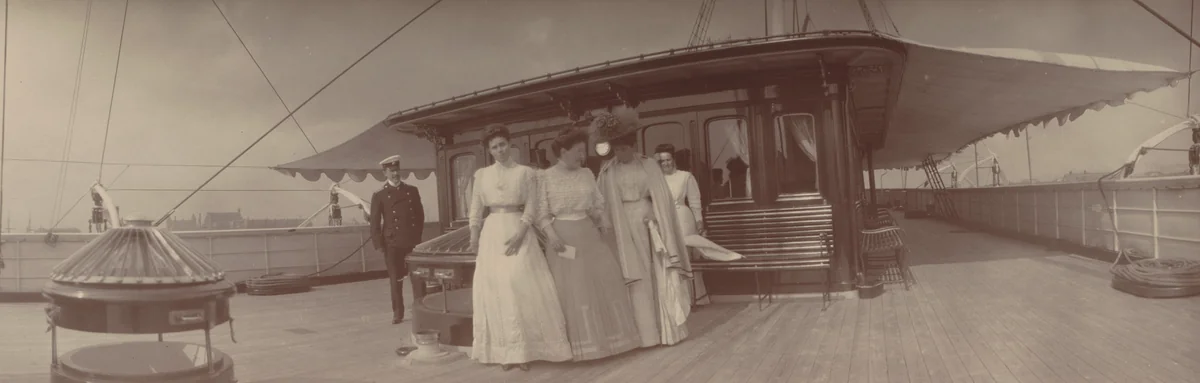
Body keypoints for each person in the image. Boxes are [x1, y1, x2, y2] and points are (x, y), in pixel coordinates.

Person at [467, 125, 573, 371]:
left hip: (519, 230)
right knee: (499, 287)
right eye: (494, 147)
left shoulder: (526, 173)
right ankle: (507, 351)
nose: (499, 150)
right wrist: (474, 236)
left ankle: (527, 349)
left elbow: (531, 206)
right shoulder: (482, 176)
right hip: (492, 233)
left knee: (520, 283)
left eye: (502, 144)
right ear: (489, 150)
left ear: (510, 144)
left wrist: (521, 232)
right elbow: (475, 208)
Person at [537, 127, 642, 361]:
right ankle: (581, 347)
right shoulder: (546, 177)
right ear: (563, 152)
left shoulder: (586, 174)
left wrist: (603, 220)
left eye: (583, 151)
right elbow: (541, 213)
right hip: (563, 238)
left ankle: (611, 342)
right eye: (577, 151)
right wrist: (552, 236)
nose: (582, 156)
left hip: (588, 234)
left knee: (602, 283)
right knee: (575, 288)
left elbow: (596, 203)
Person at [592, 109, 691, 347]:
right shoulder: (608, 170)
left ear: (632, 146)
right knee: (631, 276)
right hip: (620, 224)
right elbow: (601, 201)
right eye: (617, 150)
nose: (620, 154)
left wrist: (654, 216)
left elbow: (661, 198)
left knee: (651, 273)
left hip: (647, 224)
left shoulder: (649, 166)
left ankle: (662, 331)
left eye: (624, 149)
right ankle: (640, 335)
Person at [654, 144, 743, 307]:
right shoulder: (655, 180)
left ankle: (696, 297)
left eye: (668, 160)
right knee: (670, 257)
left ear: (673, 160)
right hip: (663, 219)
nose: (665, 163)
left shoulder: (685, 176)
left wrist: (699, 221)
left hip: (682, 216)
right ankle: (676, 302)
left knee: (686, 256)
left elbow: (695, 201)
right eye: (661, 161)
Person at [369, 154, 425, 324]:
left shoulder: (412, 191)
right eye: (391, 171)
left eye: (396, 170)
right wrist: (379, 244)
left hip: (412, 242)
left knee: (418, 277)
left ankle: (422, 309)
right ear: (385, 173)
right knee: (395, 280)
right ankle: (398, 313)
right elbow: (374, 222)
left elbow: (420, 216)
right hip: (392, 244)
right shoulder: (379, 195)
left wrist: (417, 238)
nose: (395, 174)